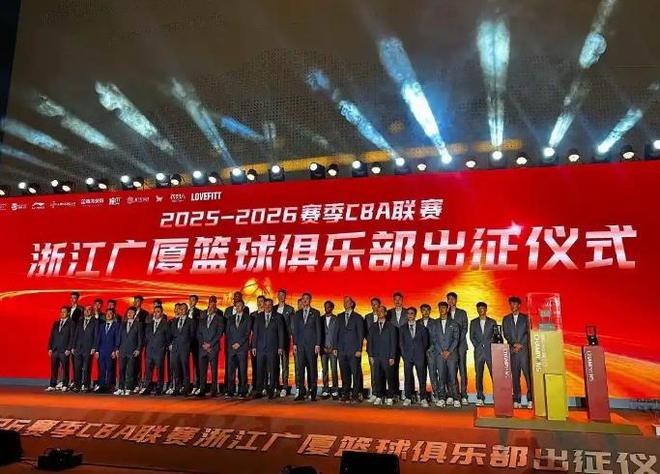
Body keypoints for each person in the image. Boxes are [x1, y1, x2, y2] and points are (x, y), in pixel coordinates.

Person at [502, 296, 533, 409]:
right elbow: (506, 334)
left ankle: (530, 399)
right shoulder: (506, 319)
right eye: (511, 304)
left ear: (519, 305)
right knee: (515, 376)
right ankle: (517, 399)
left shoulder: (526, 318)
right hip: (513, 351)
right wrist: (514, 344)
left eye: (515, 304)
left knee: (528, 376)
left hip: (524, 351)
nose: (513, 306)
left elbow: (529, 333)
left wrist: (521, 344)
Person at [429, 302, 460, 408]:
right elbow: (434, 339)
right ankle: (442, 398)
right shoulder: (434, 323)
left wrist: (449, 351)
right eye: (440, 308)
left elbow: (456, 339)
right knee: (441, 377)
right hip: (439, 354)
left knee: (452, 376)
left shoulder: (454, 323)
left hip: (452, 354)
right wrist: (441, 351)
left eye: (443, 308)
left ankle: (456, 398)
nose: (442, 310)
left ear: (447, 309)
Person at [251, 298, 284, 399]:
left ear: (272, 306)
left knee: (273, 370)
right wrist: (254, 346)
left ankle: (271, 391)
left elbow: (281, 333)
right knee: (259, 369)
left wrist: (280, 347)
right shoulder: (259, 316)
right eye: (266, 304)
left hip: (273, 348)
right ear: (263, 305)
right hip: (260, 348)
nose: (268, 306)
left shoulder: (278, 316)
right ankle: (259, 390)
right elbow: (255, 332)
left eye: (270, 305)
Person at [292, 292, 321, 401]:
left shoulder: (315, 313)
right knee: (300, 369)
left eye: (307, 298)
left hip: (312, 345)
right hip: (300, 345)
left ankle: (312, 393)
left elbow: (318, 329)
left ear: (310, 300)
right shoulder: (297, 314)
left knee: (312, 369)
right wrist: (295, 343)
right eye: (303, 298)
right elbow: (295, 330)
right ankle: (301, 393)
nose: (305, 300)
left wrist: (318, 344)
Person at [367, 305, 397, 406]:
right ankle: (379, 396)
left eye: (381, 311)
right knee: (378, 377)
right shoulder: (372, 327)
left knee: (390, 377)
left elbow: (393, 343)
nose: (379, 313)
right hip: (376, 356)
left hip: (387, 356)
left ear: (385, 313)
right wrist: (370, 355)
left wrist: (392, 356)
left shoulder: (391, 327)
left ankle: (390, 397)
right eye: (378, 311)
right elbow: (370, 342)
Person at [399, 307, 430, 407]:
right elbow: (401, 343)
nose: (410, 315)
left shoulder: (422, 328)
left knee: (422, 377)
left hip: (419, 356)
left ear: (415, 315)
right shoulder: (402, 328)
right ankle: (408, 397)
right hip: (407, 356)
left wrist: (420, 352)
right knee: (407, 377)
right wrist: (404, 354)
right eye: (408, 313)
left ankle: (423, 398)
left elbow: (426, 343)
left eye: (412, 313)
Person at [337, 296, 364, 403]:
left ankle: (356, 395)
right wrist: (335, 347)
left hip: (354, 351)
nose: (345, 303)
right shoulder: (339, 316)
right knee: (344, 374)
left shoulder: (358, 317)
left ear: (352, 304)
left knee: (356, 374)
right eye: (344, 302)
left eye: (347, 301)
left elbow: (360, 335)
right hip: (342, 350)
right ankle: (345, 394)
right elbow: (336, 333)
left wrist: (359, 349)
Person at [469, 302, 496, 406]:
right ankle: (480, 397)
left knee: (494, 374)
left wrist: (489, 345)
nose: (481, 310)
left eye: (482, 308)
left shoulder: (492, 322)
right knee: (479, 375)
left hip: (490, 351)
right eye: (479, 308)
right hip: (479, 352)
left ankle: (496, 396)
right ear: (477, 310)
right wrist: (478, 346)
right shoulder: (473, 322)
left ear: (486, 309)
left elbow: (496, 335)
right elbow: (472, 336)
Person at [197, 296, 224, 397]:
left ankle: (213, 390)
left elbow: (219, 334)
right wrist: (203, 344)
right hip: (202, 348)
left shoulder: (219, 319)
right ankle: (202, 389)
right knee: (202, 371)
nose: (211, 308)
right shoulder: (202, 319)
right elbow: (198, 333)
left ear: (216, 309)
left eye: (213, 307)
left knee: (214, 370)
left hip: (213, 348)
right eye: (209, 307)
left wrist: (210, 344)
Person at [141, 305, 170, 395]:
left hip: (159, 350)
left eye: (158, 312)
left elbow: (168, 337)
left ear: (161, 313)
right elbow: (146, 337)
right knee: (148, 370)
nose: (156, 313)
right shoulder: (150, 324)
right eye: (155, 312)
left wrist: (163, 347)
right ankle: (147, 387)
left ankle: (159, 388)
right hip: (149, 350)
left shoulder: (165, 324)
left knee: (159, 370)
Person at [225, 300, 251, 398]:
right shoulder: (230, 318)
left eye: (240, 305)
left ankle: (243, 391)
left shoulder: (248, 318)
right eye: (237, 306)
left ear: (243, 307)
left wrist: (239, 343)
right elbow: (227, 332)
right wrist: (233, 343)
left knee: (242, 370)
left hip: (242, 348)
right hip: (231, 348)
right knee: (230, 371)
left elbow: (247, 333)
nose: (238, 307)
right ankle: (230, 391)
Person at [447, 291, 469, 406]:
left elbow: (465, 328)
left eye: (453, 299)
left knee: (462, 370)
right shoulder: (445, 313)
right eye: (449, 299)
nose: (451, 301)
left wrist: (457, 341)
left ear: (456, 300)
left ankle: (464, 395)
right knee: (451, 371)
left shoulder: (462, 313)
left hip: (460, 345)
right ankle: (452, 394)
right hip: (449, 348)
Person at [115, 307, 143, 396]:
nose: (129, 314)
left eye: (131, 312)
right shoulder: (123, 324)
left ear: (135, 314)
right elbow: (119, 337)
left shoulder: (138, 324)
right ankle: (120, 388)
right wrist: (117, 348)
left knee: (130, 370)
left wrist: (138, 349)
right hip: (122, 350)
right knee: (121, 370)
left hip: (132, 350)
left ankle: (128, 388)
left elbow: (140, 338)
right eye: (128, 312)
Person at [46, 307, 74, 391]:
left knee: (65, 368)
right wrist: (50, 348)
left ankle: (65, 384)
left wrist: (69, 348)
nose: (62, 313)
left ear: (68, 313)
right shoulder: (56, 323)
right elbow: (52, 336)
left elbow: (72, 337)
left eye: (64, 312)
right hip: (55, 349)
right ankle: (52, 384)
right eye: (61, 312)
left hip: (64, 350)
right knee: (54, 368)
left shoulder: (71, 323)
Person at [274, 289, 295, 398]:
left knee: (285, 364)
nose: (281, 297)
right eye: (280, 295)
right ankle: (275, 386)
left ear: (285, 296)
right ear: (277, 296)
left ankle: (285, 387)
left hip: (285, 340)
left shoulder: (290, 309)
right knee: (274, 364)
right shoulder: (273, 308)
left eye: (283, 295)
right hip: (274, 340)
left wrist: (290, 337)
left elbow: (292, 326)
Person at [72, 306, 98, 392]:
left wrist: (94, 347)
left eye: (89, 310)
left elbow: (96, 335)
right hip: (78, 348)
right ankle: (77, 386)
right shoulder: (80, 321)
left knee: (87, 368)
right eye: (86, 310)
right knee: (77, 367)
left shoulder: (95, 321)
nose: (87, 311)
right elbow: (76, 334)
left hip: (88, 348)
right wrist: (73, 346)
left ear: (92, 311)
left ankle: (86, 385)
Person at [170, 303, 194, 395]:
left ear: (186, 310)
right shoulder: (174, 321)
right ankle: (177, 388)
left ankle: (186, 388)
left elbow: (192, 335)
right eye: (180, 309)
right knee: (176, 369)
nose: (181, 310)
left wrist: (187, 345)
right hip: (175, 348)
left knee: (185, 368)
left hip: (184, 348)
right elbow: (171, 334)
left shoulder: (190, 321)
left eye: (183, 309)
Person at [386, 292, 407, 399]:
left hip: (406, 345)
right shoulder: (389, 313)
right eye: (395, 299)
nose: (397, 301)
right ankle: (395, 393)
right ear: (393, 300)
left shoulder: (408, 312)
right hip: (393, 346)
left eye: (399, 299)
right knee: (393, 370)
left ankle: (408, 393)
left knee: (408, 370)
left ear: (402, 300)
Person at [95, 309, 120, 393]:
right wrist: (97, 350)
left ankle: (108, 386)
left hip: (110, 350)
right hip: (101, 350)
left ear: (113, 315)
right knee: (102, 369)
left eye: (110, 313)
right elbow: (98, 339)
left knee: (110, 369)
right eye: (107, 313)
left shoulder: (116, 325)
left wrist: (115, 350)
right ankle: (101, 386)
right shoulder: (102, 325)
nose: (108, 315)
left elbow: (117, 338)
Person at [320, 301, 339, 399]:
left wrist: (334, 347)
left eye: (328, 307)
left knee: (334, 369)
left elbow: (338, 334)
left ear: (332, 308)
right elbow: (319, 334)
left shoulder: (337, 319)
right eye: (325, 306)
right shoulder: (320, 319)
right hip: (323, 349)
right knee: (324, 370)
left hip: (333, 349)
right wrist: (321, 346)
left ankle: (335, 390)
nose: (326, 308)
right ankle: (325, 390)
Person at [419, 304, 438, 402]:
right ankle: (422, 395)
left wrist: (430, 349)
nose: (425, 312)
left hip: (432, 352)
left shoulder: (435, 323)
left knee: (433, 374)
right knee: (421, 375)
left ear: (430, 311)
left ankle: (436, 394)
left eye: (427, 310)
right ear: (421, 311)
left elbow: (437, 338)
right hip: (420, 353)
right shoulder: (417, 322)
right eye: (423, 310)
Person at [364, 297, 381, 402]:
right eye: (372, 304)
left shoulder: (384, 315)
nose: (374, 306)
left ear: (379, 305)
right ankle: (374, 393)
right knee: (374, 372)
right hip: (372, 348)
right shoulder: (367, 317)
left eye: (376, 304)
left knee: (383, 372)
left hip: (384, 348)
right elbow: (365, 332)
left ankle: (382, 394)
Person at [132, 295, 149, 393]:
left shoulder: (145, 313)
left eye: (138, 301)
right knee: (130, 363)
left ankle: (138, 384)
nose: (135, 302)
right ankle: (130, 383)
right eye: (135, 301)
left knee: (137, 362)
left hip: (139, 341)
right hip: (130, 341)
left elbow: (146, 328)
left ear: (141, 303)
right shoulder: (129, 312)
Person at [249, 295, 266, 394]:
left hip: (266, 344)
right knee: (255, 365)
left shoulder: (268, 314)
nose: (260, 303)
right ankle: (255, 385)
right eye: (258, 301)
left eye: (262, 301)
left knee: (265, 366)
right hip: (255, 343)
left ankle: (264, 386)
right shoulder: (252, 315)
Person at [186, 295, 202, 395]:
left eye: (193, 300)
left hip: (195, 341)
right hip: (185, 342)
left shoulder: (199, 312)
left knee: (197, 363)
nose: (191, 302)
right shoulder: (185, 311)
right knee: (185, 363)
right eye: (190, 300)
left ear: (196, 302)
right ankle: (186, 385)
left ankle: (198, 385)